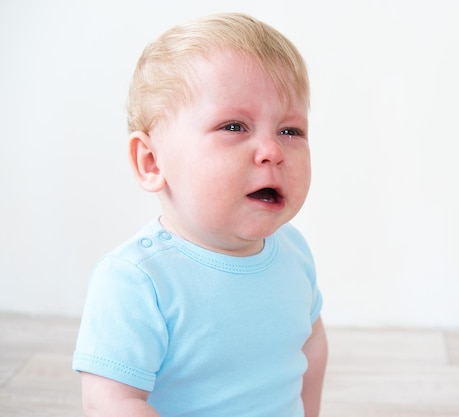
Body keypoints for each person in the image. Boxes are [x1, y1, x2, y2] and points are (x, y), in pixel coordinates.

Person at [72, 13, 327, 417]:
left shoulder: (293, 251)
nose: (273, 150)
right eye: (234, 126)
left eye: (290, 131)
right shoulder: (137, 281)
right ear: (152, 162)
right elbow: (110, 402)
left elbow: (310, 346)